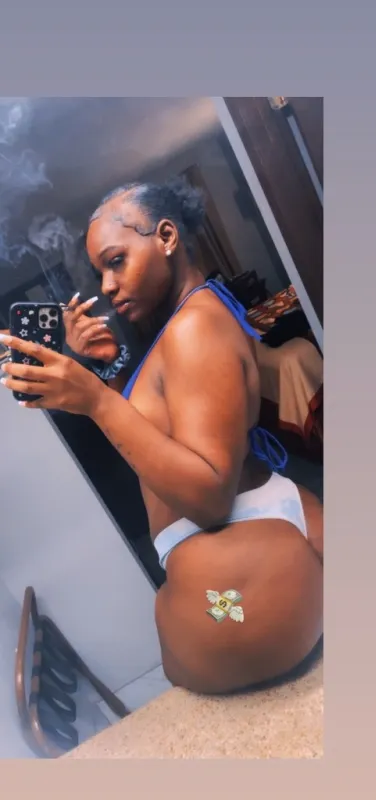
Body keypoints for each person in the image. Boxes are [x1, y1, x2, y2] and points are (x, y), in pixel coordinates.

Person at [0, 177, 323, 695]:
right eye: (101, 271)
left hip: (239, 569)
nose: (107, 286)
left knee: (190, 668)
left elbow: (210, 499)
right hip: (265, 522)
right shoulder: (190, 318)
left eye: (116, 261)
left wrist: (97, 401)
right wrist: (109, 370)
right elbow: (172, 426)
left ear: (167, 237)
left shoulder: (193, 327)